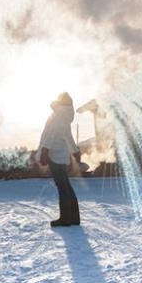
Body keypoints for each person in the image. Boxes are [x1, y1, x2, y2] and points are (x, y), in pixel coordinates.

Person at [37, 92, 82, 227]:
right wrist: (75, 151)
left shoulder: (58, 116)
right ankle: (74, 217)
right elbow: (68, 137)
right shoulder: (65, 117)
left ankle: (65, 218)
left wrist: (45, 151)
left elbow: (50, 135)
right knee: (66, 186)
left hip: (54, 155)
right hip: (61, 155)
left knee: (62, 187)